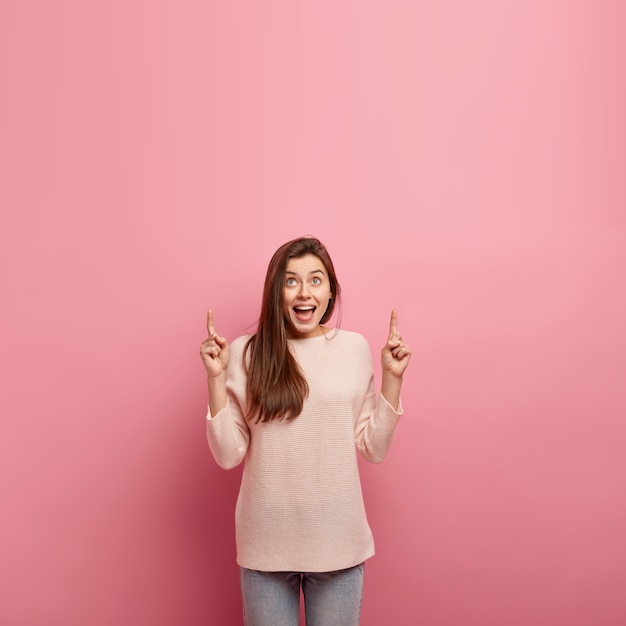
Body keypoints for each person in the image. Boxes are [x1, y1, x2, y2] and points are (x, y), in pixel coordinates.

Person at [199, 236, 411, 626]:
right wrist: (215, 379)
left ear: (331, 291)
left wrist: (392, 381)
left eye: (316, 280)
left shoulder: (353, 349)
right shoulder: (247, 352)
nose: (304, 292)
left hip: (338, 543)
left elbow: (373, 447)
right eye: (291, 280)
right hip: (266, 546)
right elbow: (228, 454)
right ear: (276, 290)